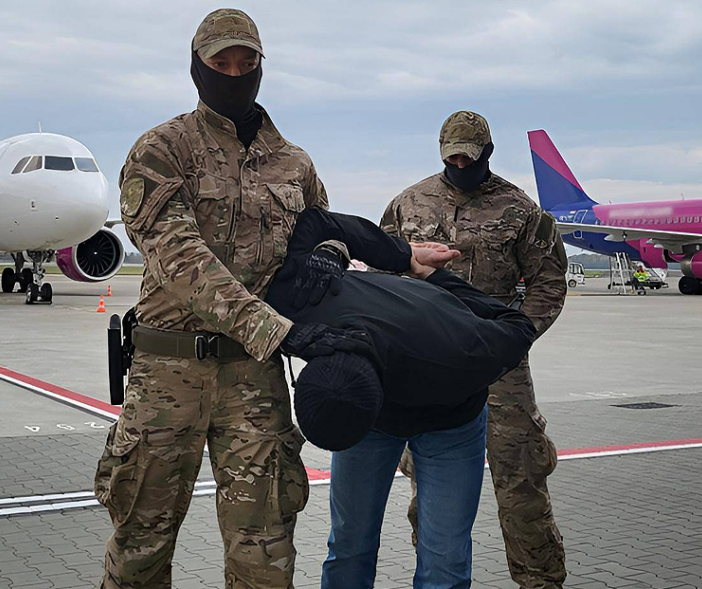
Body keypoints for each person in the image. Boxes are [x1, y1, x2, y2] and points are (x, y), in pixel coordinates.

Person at [94, 10, 457, 588]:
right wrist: (279, 331)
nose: (234, 72)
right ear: (197, 67)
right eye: (221, 62)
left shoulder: (293, 162)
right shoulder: (162, 151)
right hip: (169, 373)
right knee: (141, 545)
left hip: (254, 380)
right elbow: (181, 258)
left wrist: (331, 254)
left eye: (247, 62)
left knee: (264, 551)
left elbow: (326, 227)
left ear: (261, 67)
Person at [262, 207, 537, 589]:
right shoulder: (299, 298)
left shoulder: (461, 352)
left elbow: (518, 326)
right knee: (349, 545)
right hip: (366, 413)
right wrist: (396, 254)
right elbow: (318, 221)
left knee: (445, 558)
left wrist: (433, 275)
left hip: (450, 421)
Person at [381, 111, 569, 589]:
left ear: (487, 152)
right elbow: (384, 279)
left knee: (522, 482)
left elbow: (548, 284)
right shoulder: (408, 204)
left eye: (470, 155)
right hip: (431, 371)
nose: (461, 163)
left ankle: (540, 581)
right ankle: (436, 578)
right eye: (452, 156)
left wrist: (514, 335)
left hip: (499, 369)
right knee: (429, 491)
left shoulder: (522, 211)